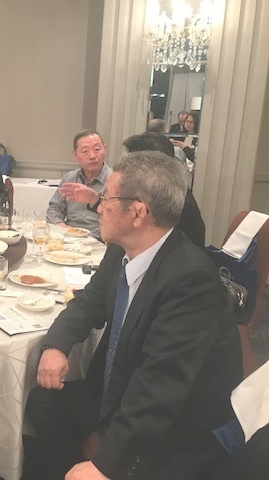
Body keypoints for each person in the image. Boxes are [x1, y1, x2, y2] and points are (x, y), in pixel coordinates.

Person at [23, 151, 242, 480]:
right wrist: (56, 345)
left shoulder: (191, 281)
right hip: (118, 389)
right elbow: (89, 302)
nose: (99, 206)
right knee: (41, 402)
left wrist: (106, 463)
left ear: (138, 212)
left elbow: (160, 387)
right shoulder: (122, 249)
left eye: (107, 198)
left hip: (172, 428)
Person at [59, 132, 205, 247]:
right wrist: (95, 199)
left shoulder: (171, 199)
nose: (126, 169)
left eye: (131, 163)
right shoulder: (147, 190)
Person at [46, 130, 111, 239]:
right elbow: (55, 208)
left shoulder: (115, 181)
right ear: (75, 155)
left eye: (97, 149)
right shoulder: (69, 178)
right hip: (67, 236)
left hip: (100, 240)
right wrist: (60, 226)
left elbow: (117, 221)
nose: (92, 156)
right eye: (85, 151)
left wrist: (82, 237)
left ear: (105, 149)